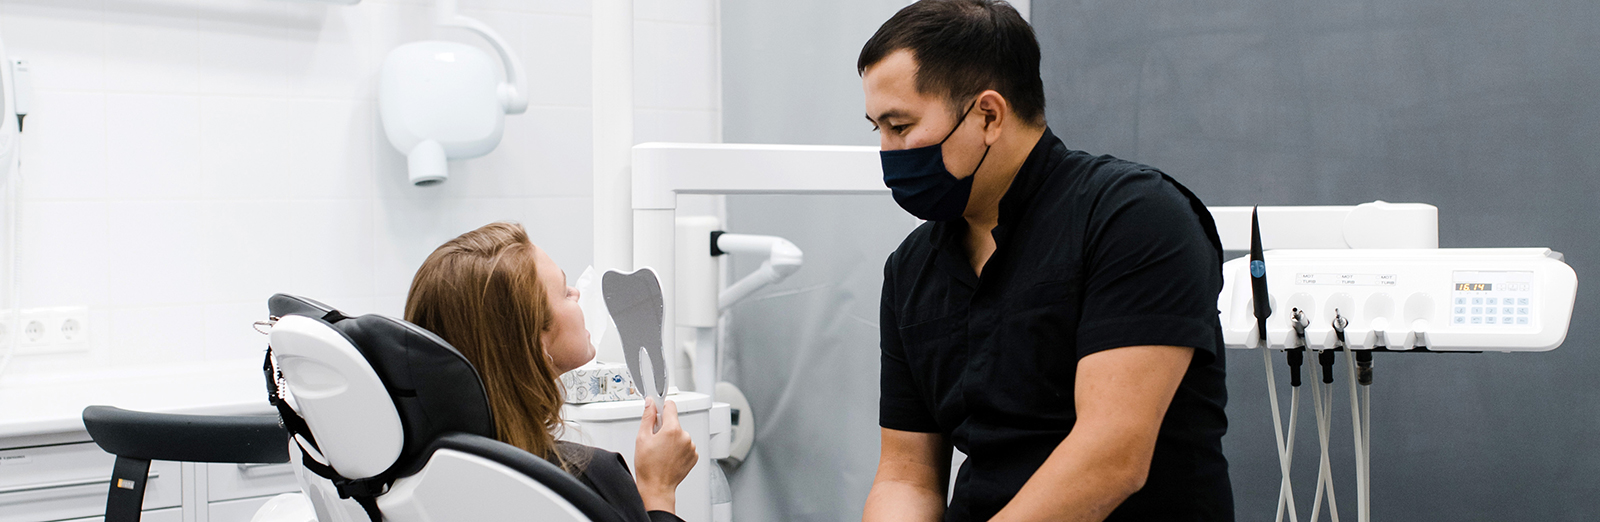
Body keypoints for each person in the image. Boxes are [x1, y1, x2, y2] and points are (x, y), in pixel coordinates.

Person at [858, 2, 1232, 521]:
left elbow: (1111, 458)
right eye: (876, 127)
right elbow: (906, 477)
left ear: (988, 114)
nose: (887, 149)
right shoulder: (911, 270)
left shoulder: (1133, 217)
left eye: (900, 126)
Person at [404, 221, 698, 522]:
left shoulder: (412, 475)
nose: (576, 293)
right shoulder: (588, 482)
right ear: (535, 343)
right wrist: (658, 491)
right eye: (563, 291)